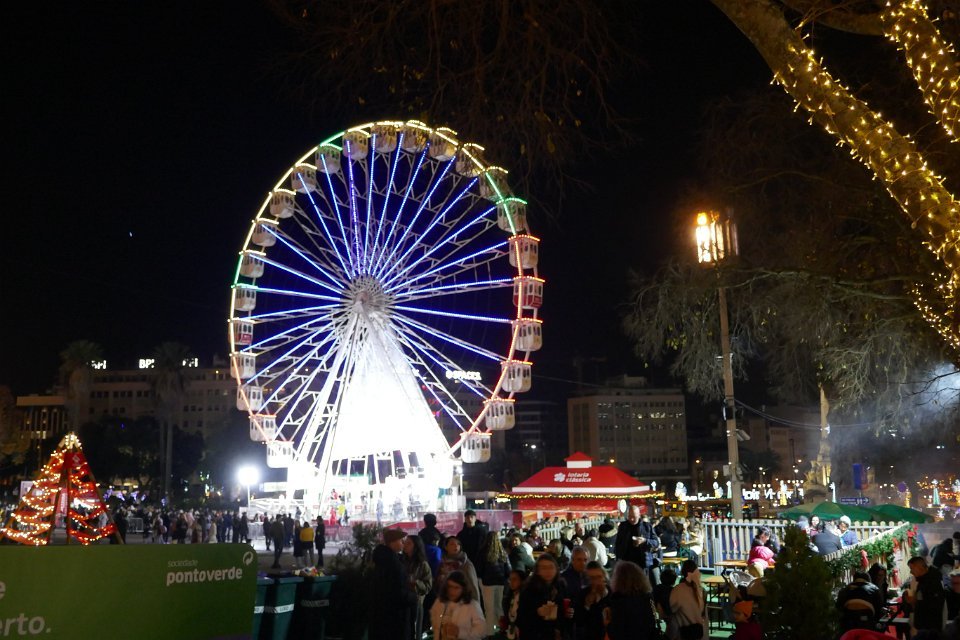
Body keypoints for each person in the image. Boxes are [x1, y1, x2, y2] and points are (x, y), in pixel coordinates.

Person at [370, 529, 418, 640]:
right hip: (395, 618)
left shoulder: (381, 560)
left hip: (381, 615)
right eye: (401, 540)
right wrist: (413, 597)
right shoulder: (394, 564)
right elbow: (398, 593)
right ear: (392, 542)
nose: (403, 543)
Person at [517, 554, 572, 640]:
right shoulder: (529, 589)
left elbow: (563, 609)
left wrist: (568, 613)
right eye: (544, 568)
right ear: (537, 571)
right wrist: (537, 612)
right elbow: (521, 617)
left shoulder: (561, 586)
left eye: (551, 567)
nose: (548, 571)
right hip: (536, 634)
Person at [602, 560, 658, 640]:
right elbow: (652, 622)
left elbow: (616, 632)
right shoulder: (647, 597)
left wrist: (607, 624)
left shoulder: (618, 600)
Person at [430, 570, 486, 640]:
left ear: (463, 589)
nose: (452, 591)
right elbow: (435, 626)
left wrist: (459, 632)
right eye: (450, 586)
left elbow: (482, 631)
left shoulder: (472, 605)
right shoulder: (439, 603)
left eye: (456, 588)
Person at [614, 504, 660, 584]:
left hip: (643, 563)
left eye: (634, 517)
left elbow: (656, 543)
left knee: (642, 585)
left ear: (639, 515)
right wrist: (618, 557)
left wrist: (645, 541)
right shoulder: (623, 526)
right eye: (630, 516)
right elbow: (618, 544)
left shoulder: (647, 527)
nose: (631, 519)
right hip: (627, 563)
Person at [477, 530, 511, 637]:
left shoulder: (483, 552)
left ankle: (490, 631)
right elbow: (508, 569)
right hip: (500, 582)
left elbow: (479, 569)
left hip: (487, 583)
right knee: (498, 606)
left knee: (489, 608)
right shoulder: (502, 552)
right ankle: (502, 628)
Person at [402, 534, 433, 640]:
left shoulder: (423, 564)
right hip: (403, 602)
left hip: (416, 602)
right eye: (405, 542)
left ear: (416, 546)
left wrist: (416, 583)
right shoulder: (402, 561)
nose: (405, 545)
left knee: (415, 631)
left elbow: (428, 586)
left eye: (409, 543)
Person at [906, 556, 947, 636]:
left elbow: (934, 609)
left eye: (912, 568)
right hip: (923, 629)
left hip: (930, 631)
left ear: (919, 566)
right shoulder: (922, 581)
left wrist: (915, 603)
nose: (911, 572)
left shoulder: (933, 582)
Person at [669, 559, 707, 640]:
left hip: (683, 632)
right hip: (698, 632)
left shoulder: (677, 590)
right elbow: (702, 613)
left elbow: (672, 610)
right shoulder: (702, 591)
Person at [437, 536, 482, 603]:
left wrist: (476, 603)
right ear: (446, 547)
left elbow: (473, 586)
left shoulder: (465, 564)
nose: (456, 546)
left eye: (458, 544)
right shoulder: (443, 563)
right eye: (452, 544)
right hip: (446, 601)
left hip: (462, 602)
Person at [575, 561, 610, 640]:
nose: (596, 581)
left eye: (599, 577)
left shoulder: (611, 593)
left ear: (604, 577)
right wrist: (587, 606)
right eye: (592, 578)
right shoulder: (582, 594)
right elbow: (578, 621)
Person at [653, 567, 678, 640]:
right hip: (669, 614)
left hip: (657, 612)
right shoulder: (673, 591)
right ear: (674, 581)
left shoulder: (656, 588)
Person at [501, 569, 525, 640]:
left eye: (514, 579)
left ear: (522, 581)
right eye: (510, 579)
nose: (511, 582)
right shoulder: (509, 598)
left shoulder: (525, 597)